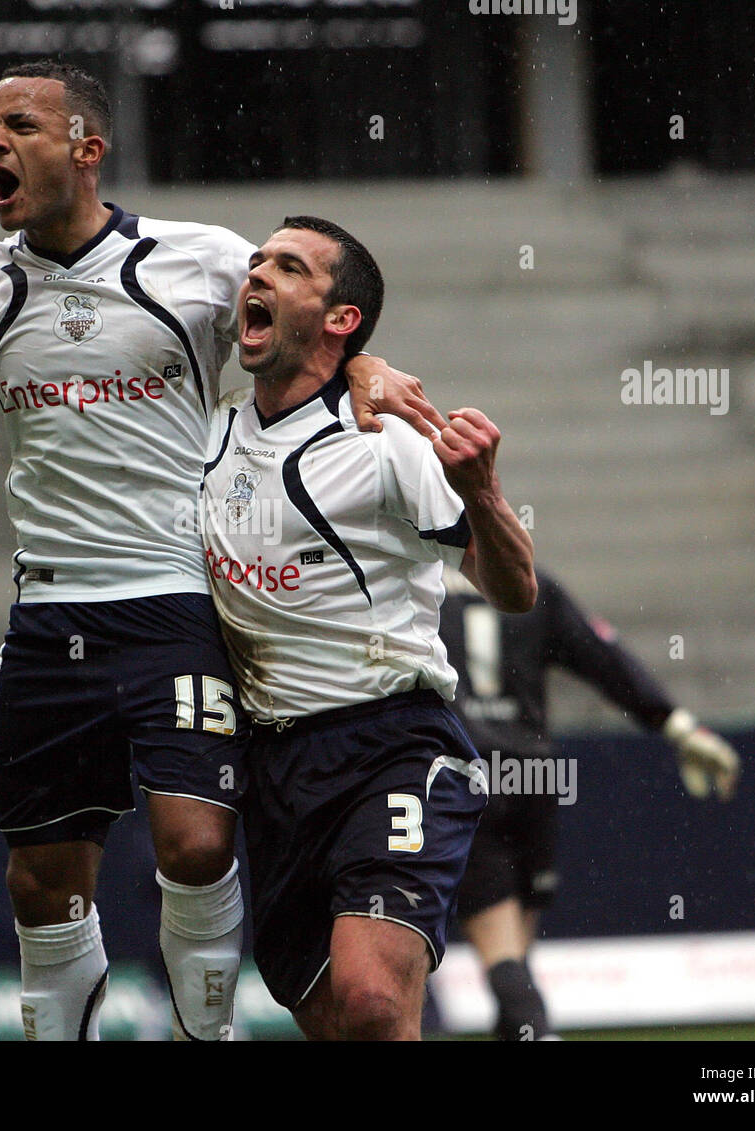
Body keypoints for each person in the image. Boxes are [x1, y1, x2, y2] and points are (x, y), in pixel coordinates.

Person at [0, 60, 443, 1041]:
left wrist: (367, 360)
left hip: (175, 599)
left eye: (22, 127)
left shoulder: (200, 259)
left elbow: (315, 307)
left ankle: (201, 1035)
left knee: (198, 842)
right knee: (42, 884)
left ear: (86, 149)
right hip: (46, 613)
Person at [200, 215, 536, 1040]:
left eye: (288, 266)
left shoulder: (387, 440)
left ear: (341, 317)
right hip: (272, 767)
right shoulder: (200, 437)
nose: (257, 276)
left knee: (373, 1000)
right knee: (333, 1019)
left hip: (393, 743)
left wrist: (484, 494)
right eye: (255, 263)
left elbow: (515, 586)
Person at [440, 565, 742, 1040]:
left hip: (464, 770)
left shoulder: (414, 586)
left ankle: (538, 1033)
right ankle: (524, 1030)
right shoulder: (528, 582)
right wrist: (677, 725)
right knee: (516, 943)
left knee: (498, 943)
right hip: (533, 775)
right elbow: (606, 660)